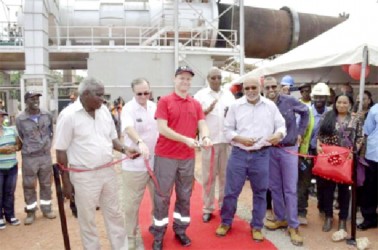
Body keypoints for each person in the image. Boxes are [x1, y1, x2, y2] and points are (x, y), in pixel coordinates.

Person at [55, 77, 139, 249]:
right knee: (88, 219)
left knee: (114, 214)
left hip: (108, 172)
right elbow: (61, 150)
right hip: (83, 176)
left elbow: (113, 139)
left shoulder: (104, 111)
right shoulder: (68, 116)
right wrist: (66, 182)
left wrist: (125, 150)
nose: (103, 99)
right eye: (99, 95)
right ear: (85, 94)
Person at [215, 75, 286, 243]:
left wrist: (278, 134)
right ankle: (226, 222)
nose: (251, 91)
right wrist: (239, 139)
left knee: (260, 192)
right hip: (239, 154)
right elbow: (227, 129)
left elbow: (281, 125)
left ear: (260, 88)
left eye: (254, 87)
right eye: (247, 88)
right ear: (243, 90)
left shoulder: (270, 106)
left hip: (262, 154)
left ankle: (256, 226)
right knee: (231, 191)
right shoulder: (235, 106)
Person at [149, 66, 212, 250]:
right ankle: (158, 234)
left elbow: (202, 124)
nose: (185, 81)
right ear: (174, 79)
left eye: (188, 79)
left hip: (187, 158)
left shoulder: (195, 104)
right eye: (181, 78)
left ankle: (180, 230)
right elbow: (162, 128)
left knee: (185, 196)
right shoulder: (165, 101)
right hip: (166, 156)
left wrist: (205, 136)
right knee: (162, 196)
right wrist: (186, 139)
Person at [262, 77, 308, 246]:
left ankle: (293, 225)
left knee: (289, 188)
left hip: (289, 149)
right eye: (268, 87)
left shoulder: (289, 101)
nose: (271, 89)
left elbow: (305, 112)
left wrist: (301, 132)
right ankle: (280, 218)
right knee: (274, 186)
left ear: (279, 87)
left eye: (274, 86)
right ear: (263, 89)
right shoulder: (261, 104)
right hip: (270, 150)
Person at [120, 78, 158, 249]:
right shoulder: (128, 108)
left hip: (156, 163)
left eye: (146, 92)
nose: (143, 96)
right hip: (134, 165)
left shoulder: (154, 107)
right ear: (133, 93)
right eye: (139, 93)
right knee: (131, 205)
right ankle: (130, 236)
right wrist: (140, 142)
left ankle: (157, 228)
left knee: (158, 200)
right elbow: (128, 128)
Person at [317, 93, 363, 232]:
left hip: (346, 159)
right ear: (335, 103)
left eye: (345, 103)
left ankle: (343, 219)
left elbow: (360, 137)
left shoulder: (355, 119)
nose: (341, 105)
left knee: (344, 190)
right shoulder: (327, 116)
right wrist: (319, 146)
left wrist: (353, 152)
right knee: (328, 189)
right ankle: (329, 217)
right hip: (329, 157)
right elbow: (320, 134)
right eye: (339, 102)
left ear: (349, 104)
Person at [194, 67, 235, 223]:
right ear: (208, 79)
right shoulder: (200, 96)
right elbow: (194, 117)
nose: (216, 80)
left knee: (225, 177)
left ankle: (224, 206)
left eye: (219, 77)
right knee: (209, 177)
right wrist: (205, 111)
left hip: (226, 142)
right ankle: (207, 208)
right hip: (209, 142)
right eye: (213, 78)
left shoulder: (229, 95)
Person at [15, 91, 56, 225]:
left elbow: (51, 133)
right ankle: (31, 212)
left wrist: (46, 146)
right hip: (29, 157)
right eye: (32, 98)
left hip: (45, 156)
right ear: (26, 101)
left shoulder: (47, 115)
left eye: (37, 98)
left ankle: (46, 208)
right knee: (29, 184)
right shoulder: (20, 119)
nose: (36, 101)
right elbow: (21, 136)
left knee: (46, 183)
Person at [297, 82, 330, 224]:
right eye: (317, 97)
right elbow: (298, 132)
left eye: (322, 97)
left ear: (327, 98)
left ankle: (323, 208)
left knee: (324, 183)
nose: (319, 100)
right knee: (304, 183)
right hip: (307, 154)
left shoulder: (330, 113)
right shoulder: (306, 112)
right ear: (313, 97)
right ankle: (301, 211)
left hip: (324, 155)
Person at [0, 109, 22, 229]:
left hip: (12, 166)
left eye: (2, 116)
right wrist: (1, 150)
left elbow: (19, 145)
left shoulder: (11, 130)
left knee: (9, 192)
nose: (1, 119)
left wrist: (14, 147)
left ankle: (10, 215)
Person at [358, 102, 378, 230]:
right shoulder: (375, 109)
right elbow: (367, 131)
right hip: (374, 154)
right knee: (370, 189)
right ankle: (370, 218)